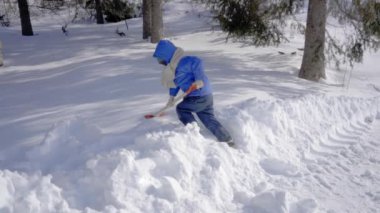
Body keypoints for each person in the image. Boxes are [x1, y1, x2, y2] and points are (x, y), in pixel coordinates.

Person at [153, 40, 234, 147]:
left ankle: (193, 134)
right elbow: (175, 83)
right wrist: (171, 97)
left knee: (182, 109)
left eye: (161, 59)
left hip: (198, 94)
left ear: (167, 55)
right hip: (205, 96)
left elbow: (197, 62)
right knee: (208, 118)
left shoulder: (184, 62)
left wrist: (199, 79)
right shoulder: (173, 69)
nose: (161, 62)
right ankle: (227, 140)